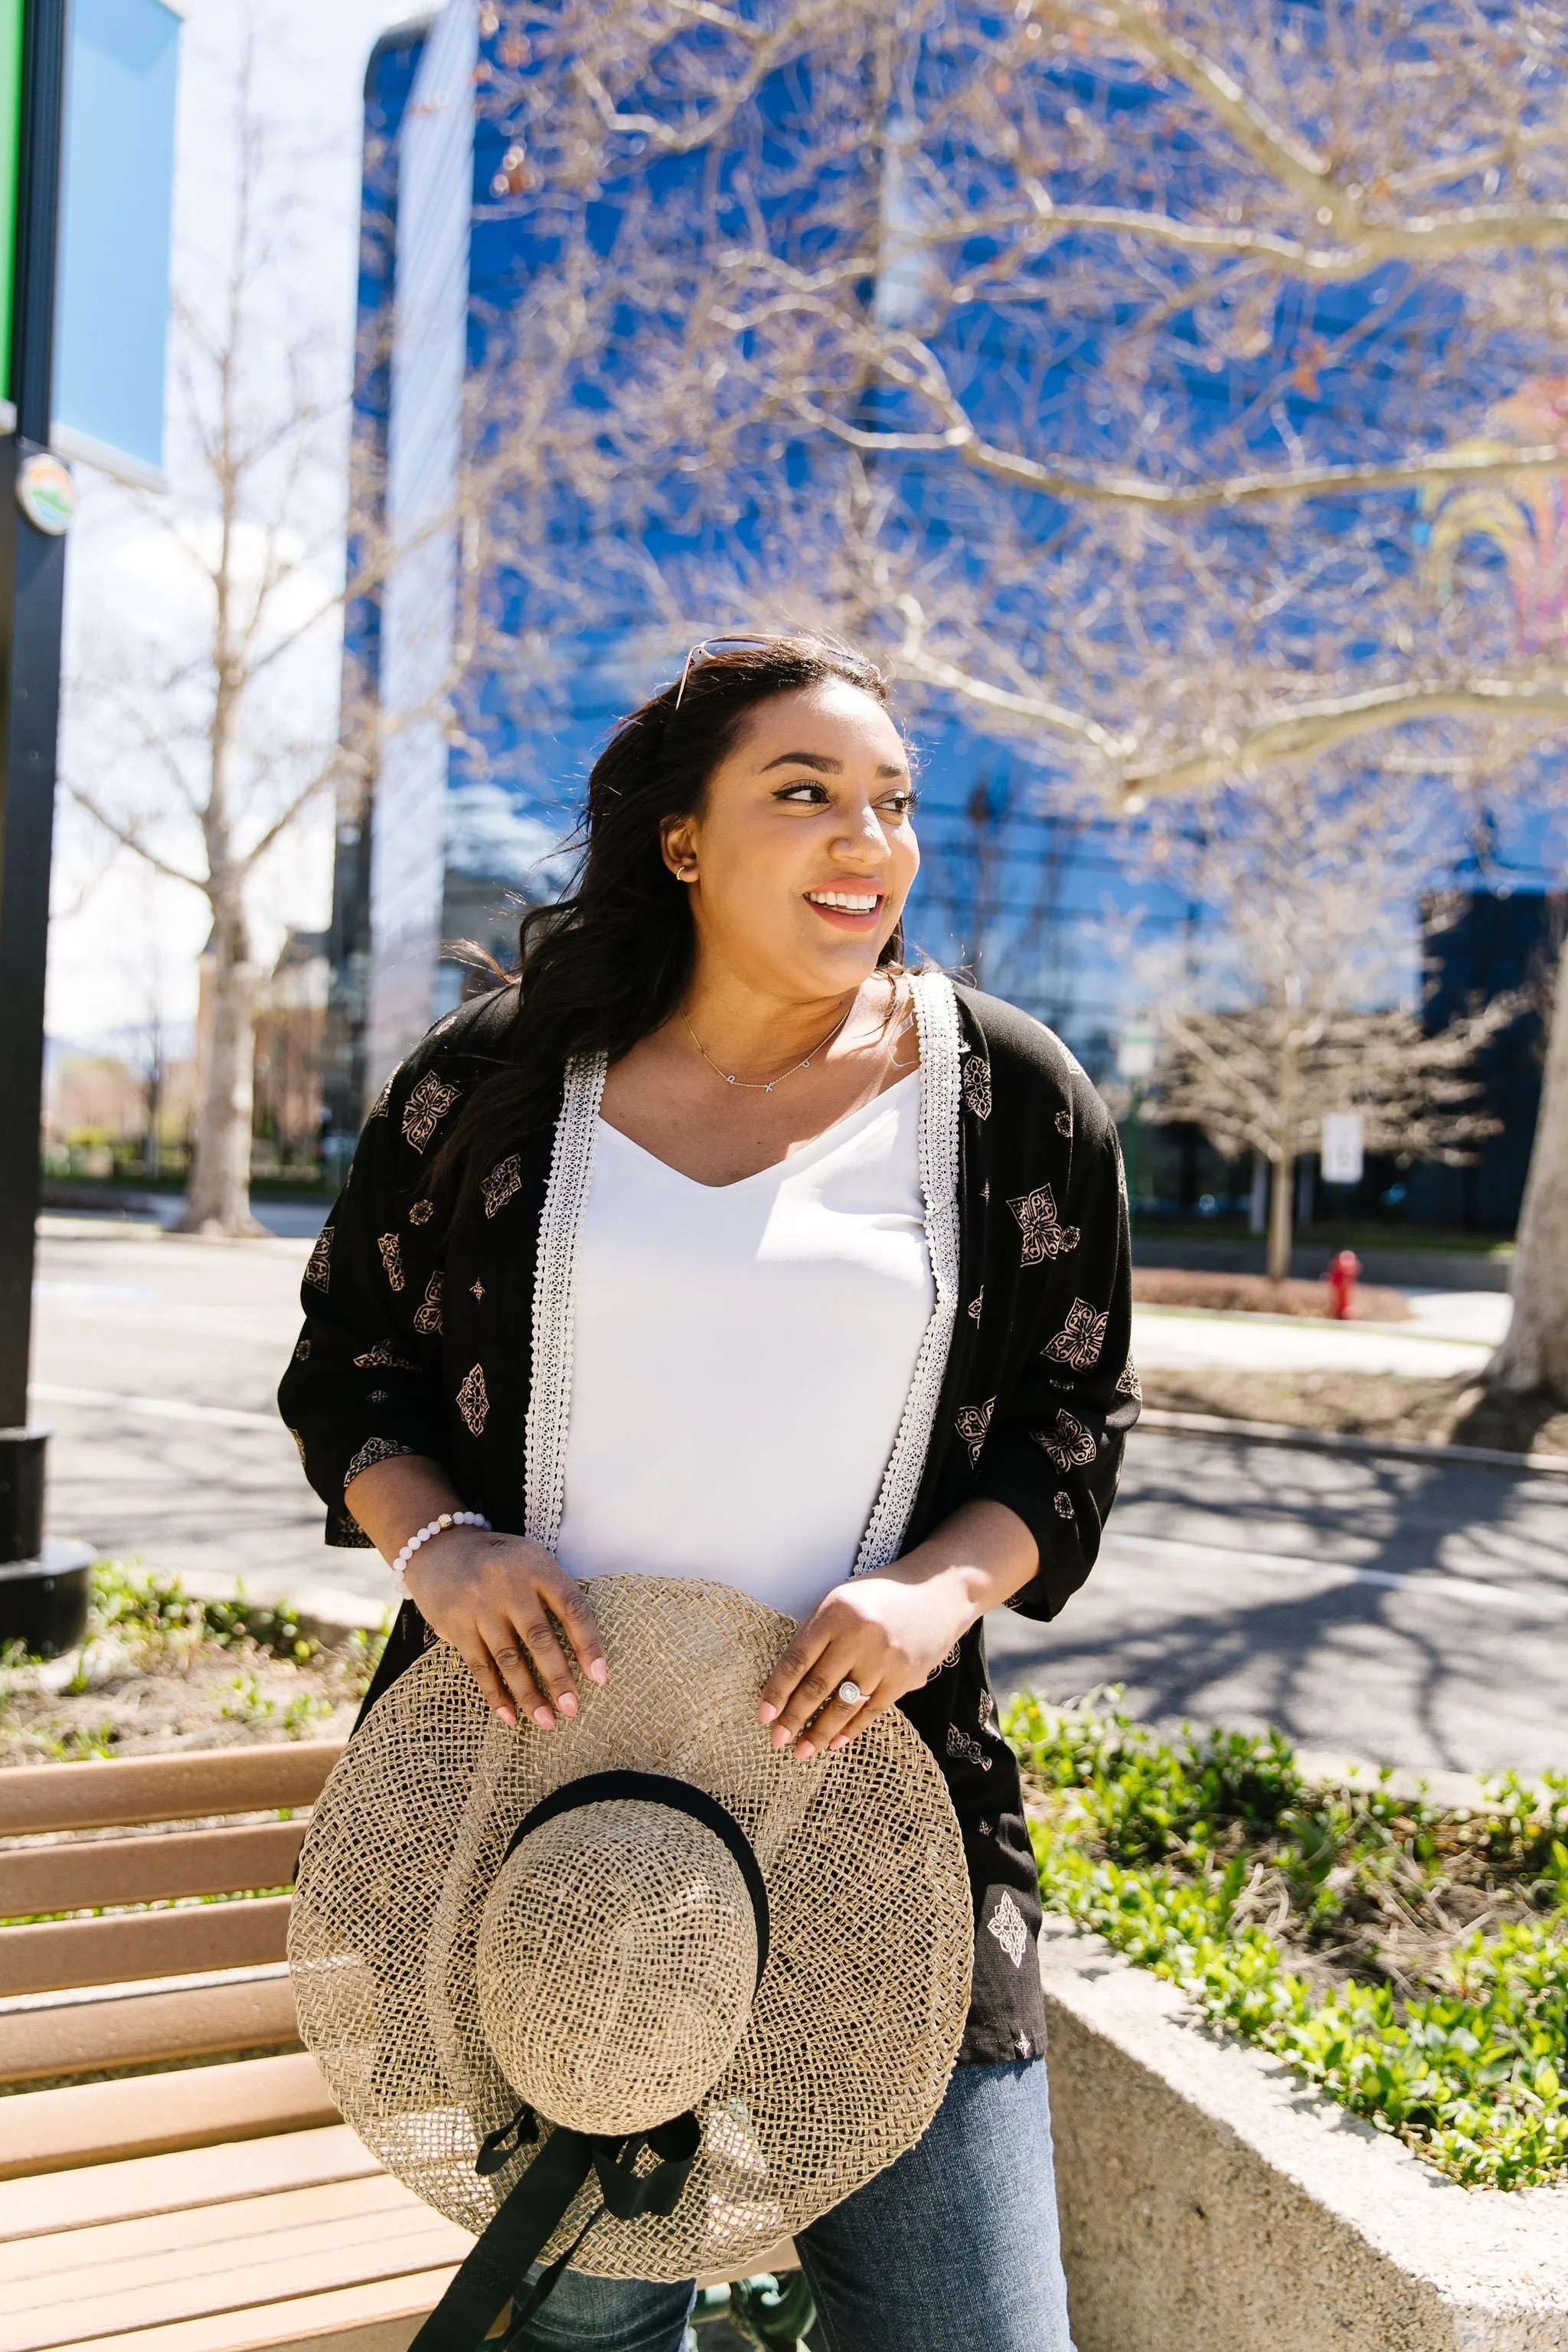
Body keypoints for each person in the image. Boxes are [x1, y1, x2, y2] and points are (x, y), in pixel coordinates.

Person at [279, 632, 1138, 2352]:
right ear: (683, 839)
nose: (864, 840)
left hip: (881, 1825)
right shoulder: (498, 1082)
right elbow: (347, 1367)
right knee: (589, 2327)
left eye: (889, 803)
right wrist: (434, 1545)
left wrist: (935, 1592)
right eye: (803, 792)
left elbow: (1074, 1419)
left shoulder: (1009, 1098)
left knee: (978, 2329)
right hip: (553, 1832)